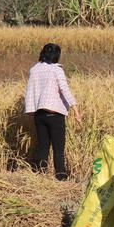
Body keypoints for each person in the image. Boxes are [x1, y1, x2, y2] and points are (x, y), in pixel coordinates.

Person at [25, 43, 82, 180]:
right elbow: (64, 89)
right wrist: (76, 110)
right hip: (55, 114)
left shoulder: (34, 69)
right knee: (58, 149)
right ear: (56, 55)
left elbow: (30, 91)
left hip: (39, 115)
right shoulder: (56, 70)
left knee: (43, 147)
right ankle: (61, 178)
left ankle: (41, 177)